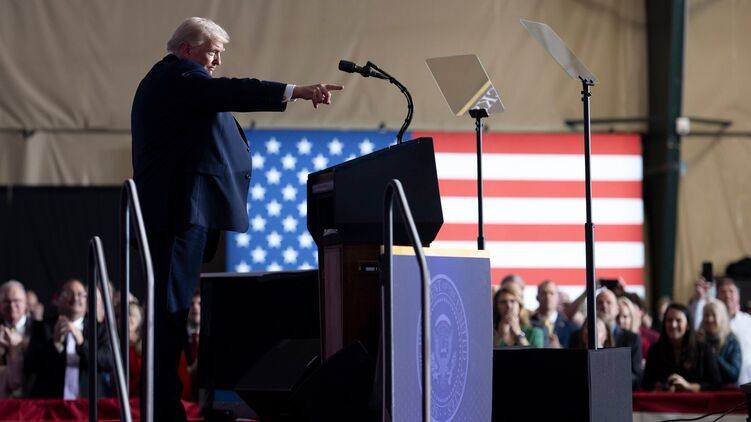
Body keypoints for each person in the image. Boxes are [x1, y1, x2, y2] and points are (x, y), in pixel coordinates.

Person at [131, 17, 342, 421]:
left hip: (179, 215)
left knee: (172, 315)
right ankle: (162, 412)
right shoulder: (178, 77)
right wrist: (296, 91)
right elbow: (232, 90)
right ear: (187, 49)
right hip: (176, 216)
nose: (217, 61)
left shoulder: (174, 80)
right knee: (169, 317)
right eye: (212, 52)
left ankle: (162, 409)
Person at [24, 279, 113, 398]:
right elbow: (30, 365)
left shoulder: (100, 329)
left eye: (80, 295)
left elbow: (108, 362)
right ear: (58, 299)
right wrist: (55, 343)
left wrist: (82, 343)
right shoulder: (42, 328)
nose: (75, 298)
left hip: (89, 403)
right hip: (50, 403)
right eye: (69, 294)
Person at [642, 303, 721, 392]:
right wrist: (660, 386)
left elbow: (716, 383)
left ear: (688, 325)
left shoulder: (704, 350)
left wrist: (689, 386)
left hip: (695, 400)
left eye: (678, 320)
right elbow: (646, 384)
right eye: (669, 320)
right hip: (664, 400)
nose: (673, 325)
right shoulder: (654, 351)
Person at [715, 278, 751, 383]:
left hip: (747, 379)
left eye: (731, 291)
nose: (727, 295)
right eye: (723, 292)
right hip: (720, 383)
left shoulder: (748, 321)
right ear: (716, 296)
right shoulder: (711, 322)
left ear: (738, 296)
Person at [697, 298, 741, 385]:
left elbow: (733, 375)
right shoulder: (697, 340)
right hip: (700, 389)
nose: (709, 319)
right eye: (706, 315)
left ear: (722, 318)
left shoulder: (732, 342)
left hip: (726, 390)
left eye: (713, 315)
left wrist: (713, 355)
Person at [0, 280, 31, 398]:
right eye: (6, 301)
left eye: (16, 301)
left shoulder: (40, 329)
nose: (12, 306)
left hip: (31, 400)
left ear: (25, 303)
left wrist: (22, 343)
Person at [530, 280, 578, 348]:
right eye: (544, 293)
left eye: (551, 293)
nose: (548, 297)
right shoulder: (527, 324)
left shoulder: (570, 327)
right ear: (537, 297)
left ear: (558, 297)